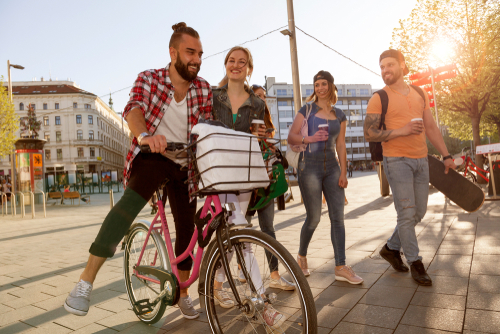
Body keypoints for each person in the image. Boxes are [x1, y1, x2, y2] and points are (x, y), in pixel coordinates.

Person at [64, 22, 213, 319]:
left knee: (188, 227)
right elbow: (133, 109)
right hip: (152, 154)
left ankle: (183, 292)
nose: (196, 59)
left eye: (199, 53)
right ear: (173, 52)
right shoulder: (150, 79)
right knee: (126, 207)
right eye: (189, 52)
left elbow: (208, 126)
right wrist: (145, 136)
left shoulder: (204, 89)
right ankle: (84, 282)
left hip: (185, 162)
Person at [364, 50, 456, 286]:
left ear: (402, 66)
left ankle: (391, 248)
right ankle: (416, 262)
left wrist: (446, 155)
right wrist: (401, 131)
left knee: (419, 212)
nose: (385, 70)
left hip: (421, 159)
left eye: (390, 65)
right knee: (406, 213)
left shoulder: (418, 92)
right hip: (396, 160)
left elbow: (431, 127)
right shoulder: (379, 97)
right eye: (382, 66)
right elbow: (370, 132)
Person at [211, 46, 286, 328]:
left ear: (249, 68)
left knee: (233, 233)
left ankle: (217, 283)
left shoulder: (256, 103)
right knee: (240, 231)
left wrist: (263, 137)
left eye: (242, 62)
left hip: (244, 172)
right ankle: (263, 303)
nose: (236, 65)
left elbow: (261, 137)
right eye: (231, 61)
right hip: (218, 170)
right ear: (226, 65)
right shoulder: (213, 96)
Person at [288, 70, 363, 285]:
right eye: (317, 84)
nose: (320, 88)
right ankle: (301, 256)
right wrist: (309, 138)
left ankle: (341, 266)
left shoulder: (339, 114)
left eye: (324, 84)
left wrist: (343, 171)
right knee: (313, 218)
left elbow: (340, 144)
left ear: (331, 86)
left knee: (337, 217)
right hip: (308, 167)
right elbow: (292, 136)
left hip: (332, 167)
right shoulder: (307, 110)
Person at [248, 83, 295, 290]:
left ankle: (274, 275)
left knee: (268, 229)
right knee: (243, 229)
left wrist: (273, 149)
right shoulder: (244, 121)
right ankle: (244, 269)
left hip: (267, 181)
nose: (262, 99)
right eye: (258, 95)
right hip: (247, 183)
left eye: (264, 96)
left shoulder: (267, 122)